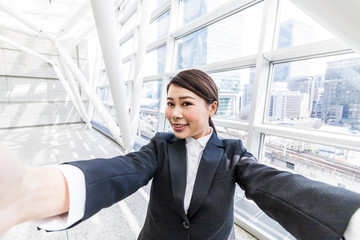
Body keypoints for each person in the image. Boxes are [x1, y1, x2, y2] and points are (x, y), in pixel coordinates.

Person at [0, 69, 359, 240]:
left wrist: (350, 217)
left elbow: (273, 185)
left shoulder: (232, 152)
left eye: (186, 103)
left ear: (212, 107)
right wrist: (26, 191)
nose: (174, 113)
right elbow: (119, 172)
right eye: (170, 103)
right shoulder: (160, 146)